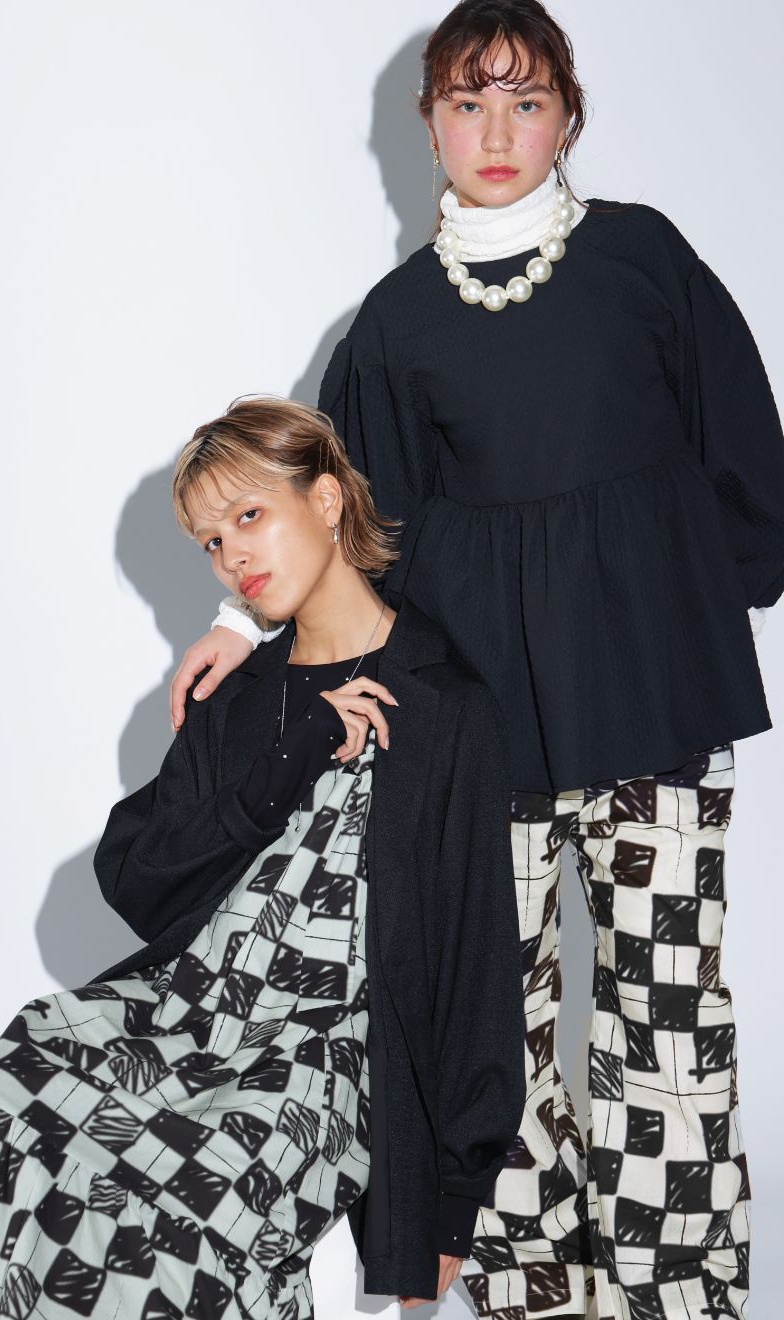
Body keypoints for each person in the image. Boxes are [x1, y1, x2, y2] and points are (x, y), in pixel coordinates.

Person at [167, 5, 784, 1318]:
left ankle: (678, 1300)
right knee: (492, 1030)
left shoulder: (642, 258)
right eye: (467, 103)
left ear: (567, 117)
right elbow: (335, 511)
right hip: (480, 731)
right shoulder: (396, 323)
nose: (497, 132)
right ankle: (534, 1298)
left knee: (667, 1021)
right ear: (428, 123)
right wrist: (236, 624)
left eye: (526, 101)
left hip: (652, 698)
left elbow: (739, 430)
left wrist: (718, 581)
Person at [0, 397, 524, 1318]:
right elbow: (135, 876)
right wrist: (291, 754)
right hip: (180, 1017)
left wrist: (456, 1193)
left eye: (249, 516)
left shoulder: (447, 703)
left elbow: (475, 961)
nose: (233, 557)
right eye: (212, 542)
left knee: (179, 1230)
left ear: (328, 500)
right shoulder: (241, 699)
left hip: (321, 1057)